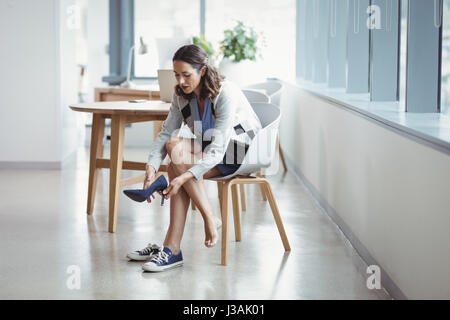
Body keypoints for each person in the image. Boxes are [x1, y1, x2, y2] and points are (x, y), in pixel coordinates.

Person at [127, 44, 262, 272]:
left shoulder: (224, 93)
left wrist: (182, 177)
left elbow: (219, 149)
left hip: (241, 149)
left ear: (202, 70)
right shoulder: (182, 96)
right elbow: (167, 132)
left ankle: (173, 247)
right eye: (177, 75)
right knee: (173, 148)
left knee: (175, 170)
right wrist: (151, 166)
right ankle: (191, 233)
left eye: (186, 75)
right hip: (210, 147)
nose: (181, 81)